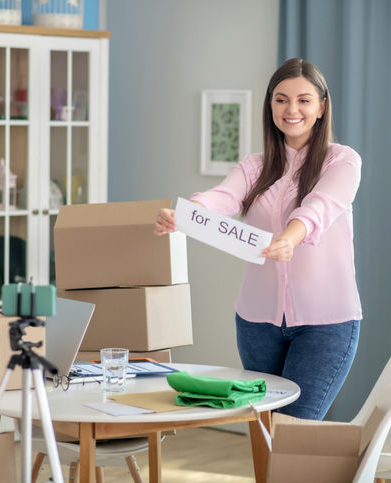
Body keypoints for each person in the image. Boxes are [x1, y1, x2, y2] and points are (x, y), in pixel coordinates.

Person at [155, 58, 362, 420]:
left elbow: (319, 208)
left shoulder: (342, 161)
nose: (291, 109)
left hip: (325, 325)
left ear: (321, 106)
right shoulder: (255, 165)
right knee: (265, 432)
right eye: (281, 99)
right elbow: (224, 196)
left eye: (303, 100)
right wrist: (186, 215)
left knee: (295, 430)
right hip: (257, 325)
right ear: (270, 105)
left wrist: (289, 239)